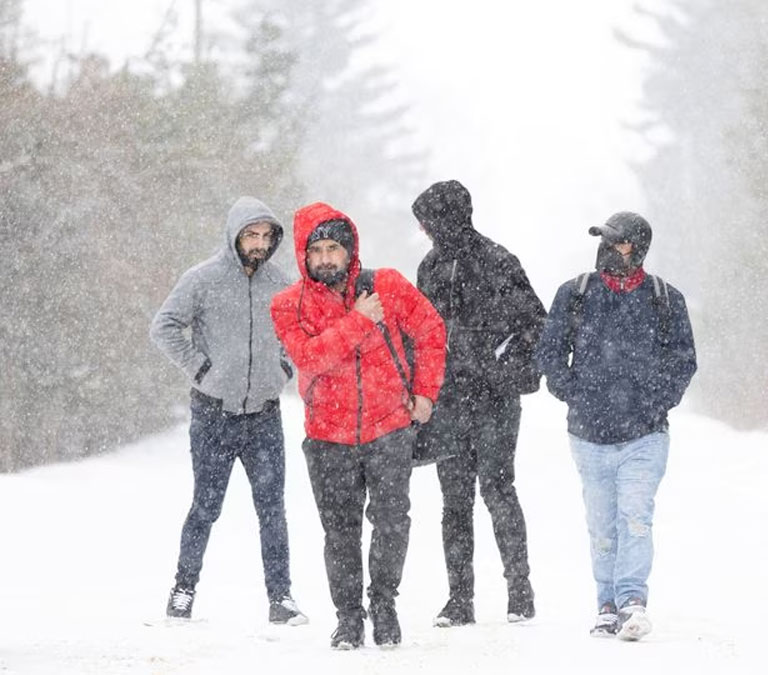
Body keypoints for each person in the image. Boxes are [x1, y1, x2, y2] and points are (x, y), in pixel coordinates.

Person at [270, 202, 446, 650]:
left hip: (388, 428)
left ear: (351, 251)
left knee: (392, 522)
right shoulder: (287, 305)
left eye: (335, 248)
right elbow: (311, 358)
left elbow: (430, 330)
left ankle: (383, 604)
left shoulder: (384, 285)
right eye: (318, 250)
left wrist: (425, 393)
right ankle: (349, 618)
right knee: (340, 532)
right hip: (327, 436)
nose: (327, 257)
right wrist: (358, 320)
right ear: (303, 255)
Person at [535, 212, 697, 641]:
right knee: (602, 523)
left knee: (636, 517)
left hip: (646, 435)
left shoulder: (665, 298)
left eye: (619, 242)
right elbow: (549, 352)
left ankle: (632, 601)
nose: (609, 249)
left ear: (637, 248)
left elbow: (683, 360)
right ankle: (606, 605)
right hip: (588, 435)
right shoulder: (575, 294)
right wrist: (572, 391)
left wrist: (656, 400)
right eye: (606, 241)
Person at [150, 196, 307, 625]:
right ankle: (183, 591)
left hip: (263, 415)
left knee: (272, 508)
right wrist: (202, 369)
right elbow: (163, 326)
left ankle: (282, 598)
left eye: (265, 236)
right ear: (234, 235)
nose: (258, 243)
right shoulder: (202, 279)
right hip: (213, 415)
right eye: (250, 235)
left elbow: (300, 333)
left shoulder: (282, 284)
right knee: (205, 506)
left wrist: (283, 369)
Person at [410, 180, 546, 627]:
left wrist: (504, 369)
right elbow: (418, 334)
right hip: (445, 401)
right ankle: (459, 598)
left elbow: (535, 325)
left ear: (447, 217)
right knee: (454, 500)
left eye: (428, 222)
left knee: (497, 489)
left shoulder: (498, 261)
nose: (426, 232)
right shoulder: (428, 267)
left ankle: (519, 589)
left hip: (495, 401)